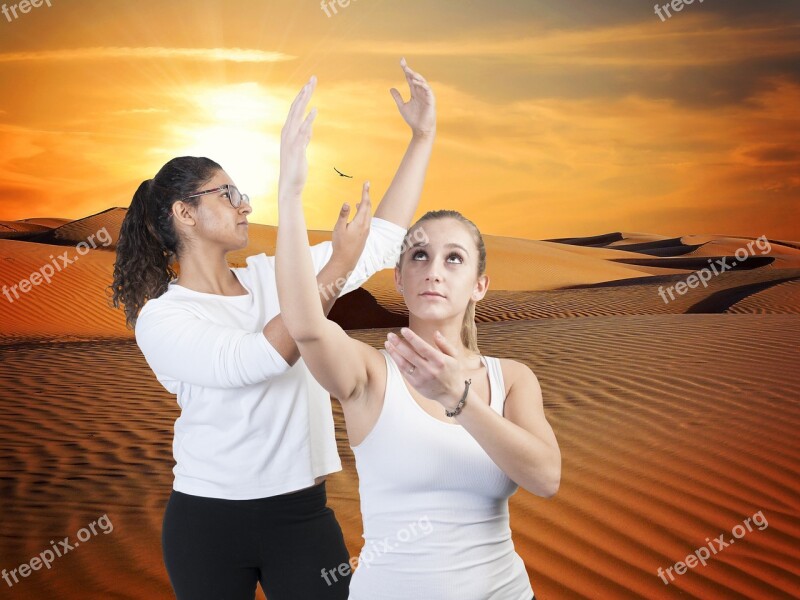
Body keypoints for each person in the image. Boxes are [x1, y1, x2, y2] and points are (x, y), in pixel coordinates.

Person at [107, 58, 436, 600]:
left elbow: (381, 240)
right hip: (207, 524)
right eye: (227, 194)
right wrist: (328, 268)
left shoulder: (272, 276)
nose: (244, 205)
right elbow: (257, 359)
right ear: (184, 214)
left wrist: (422, 137)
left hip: (302, 516)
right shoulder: (162, 318)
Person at [274, 67, 560, 600]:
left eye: (454, 259)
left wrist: (460, 398)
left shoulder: (512, 380)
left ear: (479, 285)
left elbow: (545, 478)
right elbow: (304, 323)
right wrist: (290, 192)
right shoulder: (368, 372)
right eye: (419, 255)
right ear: (400, 277)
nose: (434, 269)